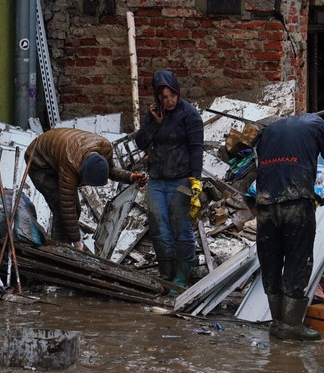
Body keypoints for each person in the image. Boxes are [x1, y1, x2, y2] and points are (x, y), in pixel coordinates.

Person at [254, 114, 324, 341]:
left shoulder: (268, 129)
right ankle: (291, 324)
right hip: (296, 198)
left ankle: (277, 321)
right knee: (298, 259)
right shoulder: (317, 125)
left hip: (265, 202)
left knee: (270, 259)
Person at [134, 69, 205, 287]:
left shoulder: (189, 115)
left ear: (177, 92)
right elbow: (141, 143)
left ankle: (182, 276)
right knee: (159, 227)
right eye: (164, 97)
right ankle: (167, 274)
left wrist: (196, 179)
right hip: (157, 179)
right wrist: (155, 122)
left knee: (180, 227)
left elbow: (196, 148)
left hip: (181, 180)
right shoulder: (155, 114)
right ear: (157, 97)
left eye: (172, 95)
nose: (169, 101)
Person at [25, 128, 146, 250]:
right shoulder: (71, 165)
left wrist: (130, 176)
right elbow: (67, 206)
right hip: (38, 161)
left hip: (58, 153)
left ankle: (64, 246)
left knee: (75, 210)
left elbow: (111, 170)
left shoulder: (105, 148)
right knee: (60, 209)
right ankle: (59, 249)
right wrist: (78, 244)